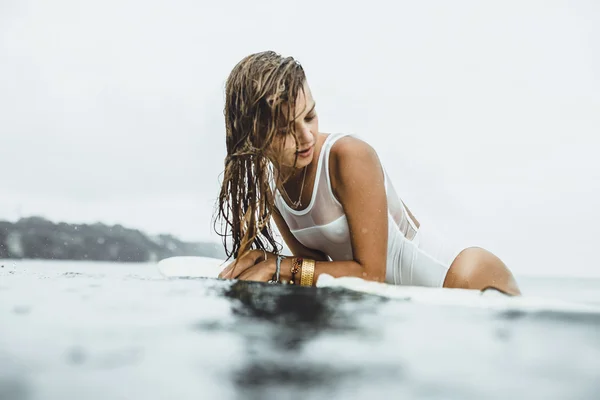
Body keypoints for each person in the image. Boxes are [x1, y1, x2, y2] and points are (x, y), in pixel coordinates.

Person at [215, 51, 520, 295]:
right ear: (254, 135)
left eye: (310, 116)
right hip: (414, 311)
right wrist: (266, 266)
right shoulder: (272, 185)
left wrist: (277, 265)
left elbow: (370, 275)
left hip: (463, 281)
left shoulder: (348, 156)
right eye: (285, 130)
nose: (307, 137)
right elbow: (315, 269)